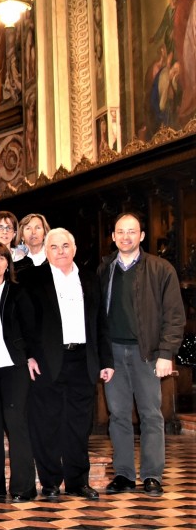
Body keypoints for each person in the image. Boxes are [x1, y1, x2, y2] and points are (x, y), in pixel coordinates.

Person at [98, 213, 185, 498]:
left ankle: (151, 475)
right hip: (113, 353)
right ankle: (123, 474)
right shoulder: (105, 269)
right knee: (118, 415)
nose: (126, 237)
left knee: (150, 415)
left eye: (132, 231)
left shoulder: (161, 269)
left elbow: (174, 315)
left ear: (142, 236)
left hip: (147, 353)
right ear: (113, 236)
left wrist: (166, 352)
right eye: (120, 232)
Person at [26, 228, 113, 501]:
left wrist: (106, 360)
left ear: (74, 249)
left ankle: (78, 482)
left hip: (83, 359)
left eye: (65, 246)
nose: (61, 251)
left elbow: (101, 322)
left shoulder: (88, 278)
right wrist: (29, 356)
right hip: (47, 361)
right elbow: (26, 323)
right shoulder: (34, 278)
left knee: (78, 425)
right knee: (47, 423)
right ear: (46, 250)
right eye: (54, 246)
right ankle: (50, 482)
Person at [0, 242, 38, 503]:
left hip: (13, 364)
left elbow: (30, 326)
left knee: (16, 423)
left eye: (1, 258)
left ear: (7, 263)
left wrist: (31, 356)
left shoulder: (17, 291)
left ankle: (24, 487)